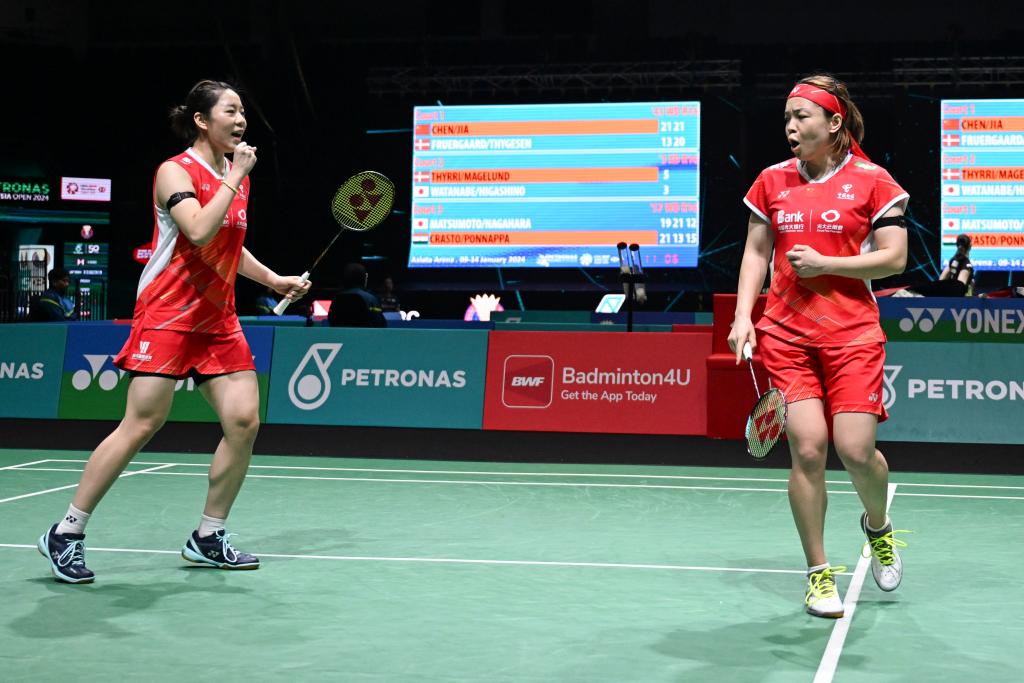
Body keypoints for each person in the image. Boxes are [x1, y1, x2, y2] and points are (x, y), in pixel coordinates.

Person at [37, 79, 310, 583]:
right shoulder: (174, 171)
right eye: (231, 111)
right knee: (142, 423)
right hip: (167, 313)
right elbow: (200, 230)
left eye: (243, 111)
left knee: (244, 422)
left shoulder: (234, 176)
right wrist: (236, 177)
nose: (241, 120)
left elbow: (227, 245)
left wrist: (274, 280)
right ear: (202, 120)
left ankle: (208, 535)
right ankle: (66, 532)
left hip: (218, 319)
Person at [728, 74, 910, 618]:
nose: (790, 125)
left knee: (855, 451)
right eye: (786, 117)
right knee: (808, 449)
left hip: (853, 334)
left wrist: (827, 264)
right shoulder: (772, 181)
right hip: (787, 335)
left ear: (834, 123)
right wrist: (743, 316)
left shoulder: (873, 181)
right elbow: (756, 252)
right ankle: (817, 572)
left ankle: (877, 526)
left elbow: (895, 257)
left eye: (802, 116)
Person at [328, 262, 386, 328]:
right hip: (364, 334)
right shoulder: (371, 299)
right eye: (366, 276)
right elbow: (379, 323)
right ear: (363, 278)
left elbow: (331, 320)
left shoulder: (336, 299)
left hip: (340, 334)